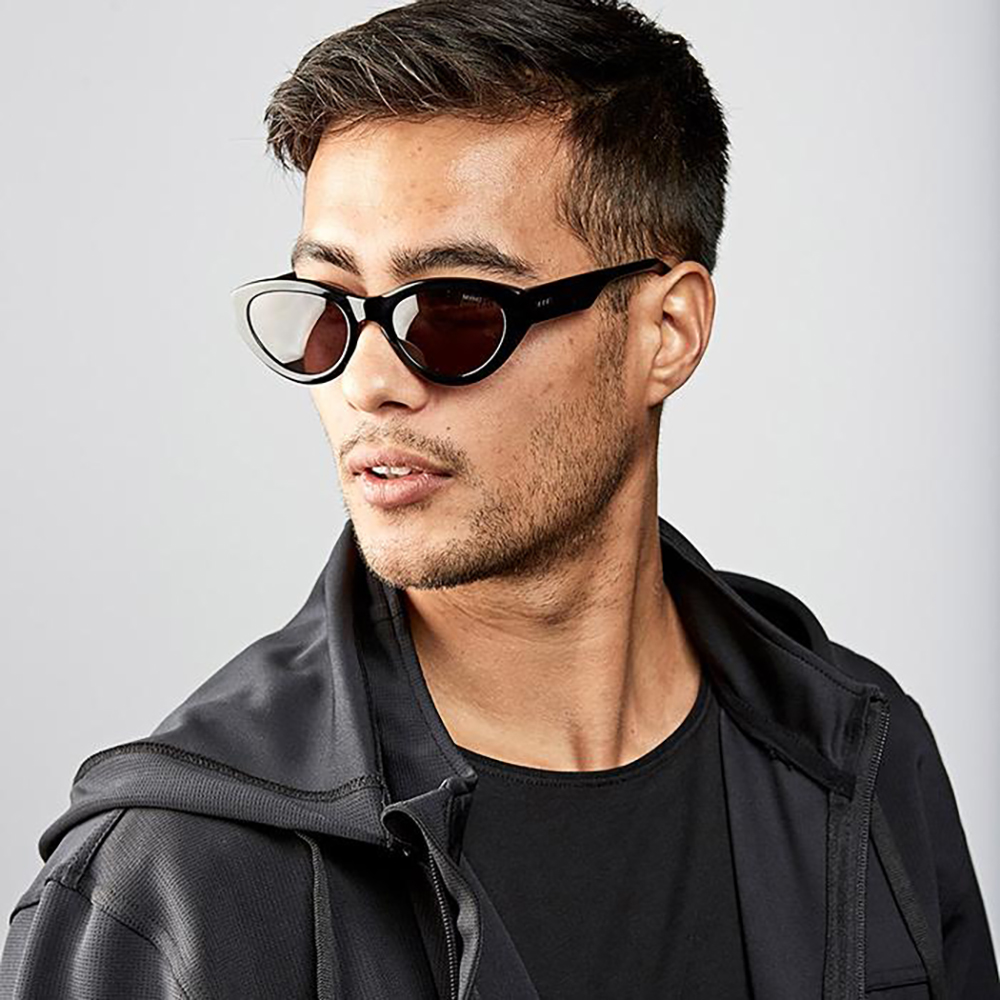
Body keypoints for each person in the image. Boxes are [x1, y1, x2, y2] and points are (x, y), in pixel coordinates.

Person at [2, 1, 997, 997]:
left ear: (667, 331)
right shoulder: (169, 881)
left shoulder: (859, 757)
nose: (367, 383)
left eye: (455, 309)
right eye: (331, 308)